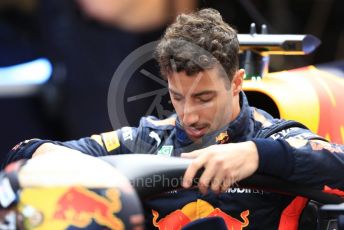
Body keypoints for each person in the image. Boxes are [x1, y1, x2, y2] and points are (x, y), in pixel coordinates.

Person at [2, 8, 344, 229]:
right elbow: (24, 151)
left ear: (237, 82)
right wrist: (51, 158)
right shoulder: (145, 141)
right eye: (177, 97)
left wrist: (256, 155)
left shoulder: (278, 138)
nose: (189, 113)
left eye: (204, 97)